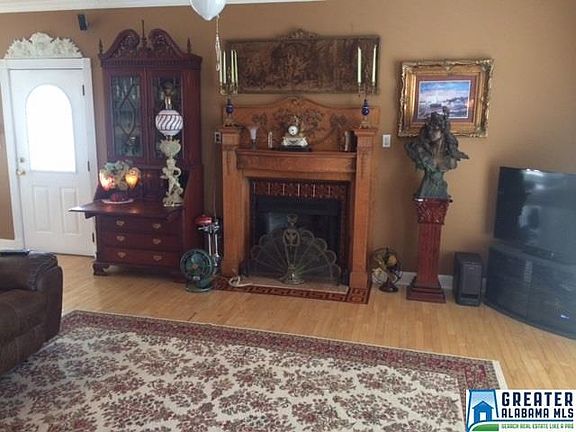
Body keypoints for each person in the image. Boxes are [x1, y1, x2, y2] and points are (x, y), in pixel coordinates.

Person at [404, 107, 469, 199]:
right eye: (429, 129)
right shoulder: (420, 151)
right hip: (424, 192)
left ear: (442, 131)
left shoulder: (450, 157)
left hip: (440, 192)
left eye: (435, 129)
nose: (430, 132)